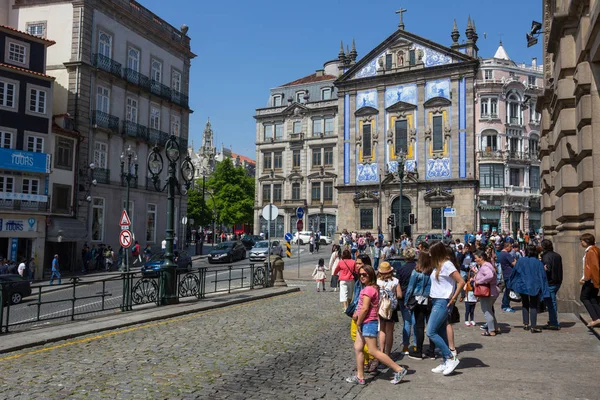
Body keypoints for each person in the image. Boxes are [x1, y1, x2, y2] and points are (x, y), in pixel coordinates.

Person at [346, 264, 408, 385]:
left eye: (365, 274)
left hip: (368, 322)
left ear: (371, 275)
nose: (362, 276)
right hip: (365, 322)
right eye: (360, 274)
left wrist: (358, 322)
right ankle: (360, 376)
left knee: (373, 350)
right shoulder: (372, 287)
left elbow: (364, 308)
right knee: (358, 347)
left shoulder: (368, 289)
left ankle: (399, 369)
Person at [426, 242, 464, 376]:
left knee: (430, 332)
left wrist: (453, 298)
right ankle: (445, 361)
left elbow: (461, 281)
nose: (429, 255)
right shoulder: (439, 265)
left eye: (432, 253)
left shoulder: (447, 264)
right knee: (441, 332)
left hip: (443, 301)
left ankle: (450, 357)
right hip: (436, 300)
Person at [508, 245, 550, 333]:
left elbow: (514, 272)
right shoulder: (538, 263)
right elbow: (542, 276)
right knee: (533, 305)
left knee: (525, 304)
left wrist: (511, 283)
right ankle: (533, 326)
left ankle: (526, 324)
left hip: (523, 285)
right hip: (534, 285)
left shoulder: (521, 260)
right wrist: (544, 289)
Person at [404, 250, 434, 360]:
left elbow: (410, 288)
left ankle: (419, 351)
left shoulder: (416, 272)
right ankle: (432, 351)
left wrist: (406, 301)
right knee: (431, 326)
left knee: (419, 326)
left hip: (419, 300)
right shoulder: (432, 272)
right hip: (431, 299)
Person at [376, 262, 401, 357]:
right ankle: (388, 352)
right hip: (391, 308)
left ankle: (381, 351)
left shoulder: (377, 281)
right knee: (390, 331)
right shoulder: (395, 281)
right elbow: (399, 295)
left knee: (382, 330)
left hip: (381, 307)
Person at [474, 250, 500, 335]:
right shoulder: (488, 265)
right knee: (489, 310)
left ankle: (491, 330)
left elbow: (489, 275)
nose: (475, 260)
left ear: (481, 258)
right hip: (492, 290)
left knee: (487, 311)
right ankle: (495, 328)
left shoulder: (485, 266)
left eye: (476, 258)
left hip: (488, 291)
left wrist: (479, 281)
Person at [397, 247, 417, 355]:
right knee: (416, 322)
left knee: (407, 322)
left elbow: (398, 284)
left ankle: (405, 346)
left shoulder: (401, 269)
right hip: (416, 298)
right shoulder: (418, 268)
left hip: (404, 298)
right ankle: (416, 345)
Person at [579, 233, 600, 327]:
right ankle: (598, 317)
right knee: (592, 298)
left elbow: (594, 267)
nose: (581, 242)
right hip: (593, 279)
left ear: (587, 241)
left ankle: (595, 318)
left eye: (582, 241)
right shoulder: (594, 250)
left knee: (583, 297)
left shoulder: (591, 251)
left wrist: (585, 278)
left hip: (591, 280)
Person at [541, 239, 562, 330]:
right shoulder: (557, 255)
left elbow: (547, 268)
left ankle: (553, 322)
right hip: (557, 280)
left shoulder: (546, 256)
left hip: (550, 282)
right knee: (551, 302)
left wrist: (542, 269)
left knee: (551, 303)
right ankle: (552, 321)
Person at [498, 242, 517, 312]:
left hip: (505, 273)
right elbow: (514, 263)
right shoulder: (506, 254)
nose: (511, 248)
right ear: (507, 247)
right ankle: (505, 305)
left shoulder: (500, 254)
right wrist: (515, 260)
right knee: (508, 289)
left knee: (507, 289)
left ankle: (505, 303)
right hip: (509, 273)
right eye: (510, 247)